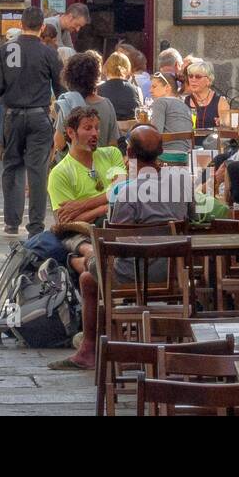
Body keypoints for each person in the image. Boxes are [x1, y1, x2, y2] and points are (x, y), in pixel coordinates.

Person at [49, 127, 195, 371]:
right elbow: (189, 221)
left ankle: (89, 348)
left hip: (136, 276)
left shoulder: (127, 193)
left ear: (128, 152)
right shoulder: (182, 183)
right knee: (91, 269)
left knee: (88, 276)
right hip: (174, 273)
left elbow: (117, 244)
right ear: (161, 153)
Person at [0, 5, 65, 237]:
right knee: (38, 170)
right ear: (42, 27)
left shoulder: (5, 50)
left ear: (21, 25)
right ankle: (35, 225)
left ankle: (11, 222)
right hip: (39, 115)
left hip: (12, 115)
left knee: (12, 166)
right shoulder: (48, 52)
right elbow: (60, 86)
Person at [48, 107, 127, 271]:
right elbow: (67, 222)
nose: (95, 134)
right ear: (71, 132)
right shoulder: (59, 173)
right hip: (84, 231)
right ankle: (80, 262)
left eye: (97, 128)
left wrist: (82, 205)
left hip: (117, 223)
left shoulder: (112, 154)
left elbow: (122, 192)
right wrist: (106, 206)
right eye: (87, 128)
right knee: (78, 242)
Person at [52, 51, 120, 157]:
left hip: (74, 167)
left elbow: (59, 144)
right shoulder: (107, 104)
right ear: (95, 77)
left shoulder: (68, 102)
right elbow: (113, 144)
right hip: (101, 165)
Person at [147, 70, 194, 155]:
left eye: (154, 87)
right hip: (186, 156)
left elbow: (155, 134)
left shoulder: (160, 102)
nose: (150, 90)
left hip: (165, 155)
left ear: (167, 88)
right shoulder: (184, 105)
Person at [183, 59, 231, 129]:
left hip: (211, 139)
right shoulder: (184, 101)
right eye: (190, 76)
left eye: (198, 76)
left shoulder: (220, 102)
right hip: (190, 139)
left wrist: (223, 123)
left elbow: (228, 128)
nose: (193, 80)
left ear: (208, 80)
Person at [97, 51, 141, 122]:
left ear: (107, 67)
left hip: (108, 131)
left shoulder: (97, 90)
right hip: (130, 131)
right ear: (127, 67)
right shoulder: (137, 90)